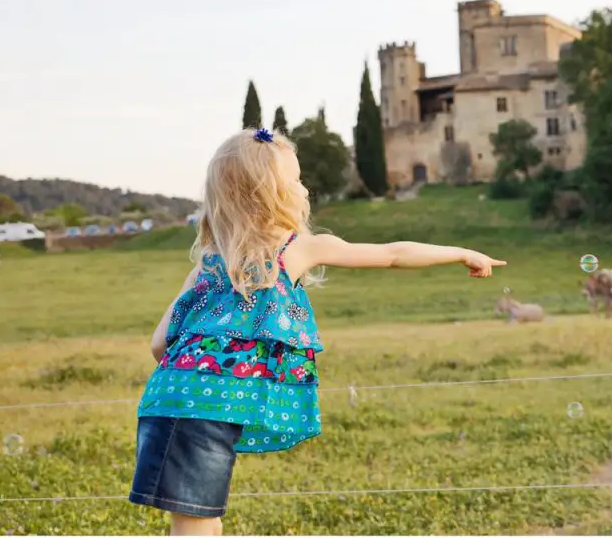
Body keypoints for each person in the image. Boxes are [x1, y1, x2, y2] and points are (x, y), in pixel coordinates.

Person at [129, 128, 505, 535]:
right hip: (206, 408)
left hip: (176, 399)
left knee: (201, 521)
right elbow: (393, 254)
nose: (304, 190)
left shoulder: (207, 263)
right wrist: (462, 253)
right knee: (198, 524)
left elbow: (158, 345)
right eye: (296, 180)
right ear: (269, 193)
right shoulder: (296, 248)